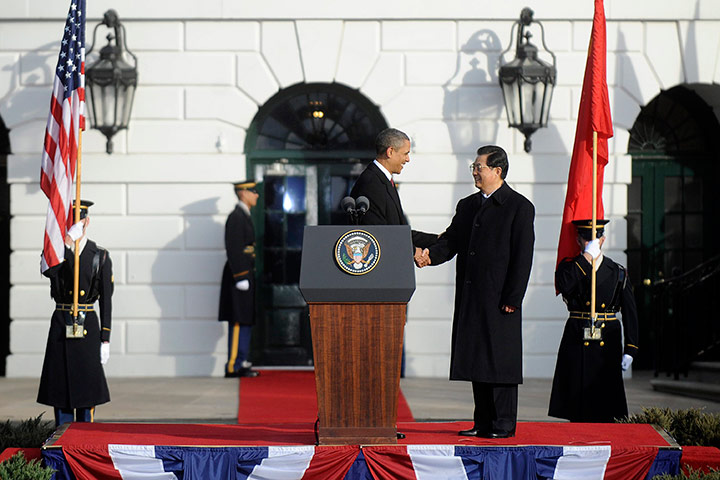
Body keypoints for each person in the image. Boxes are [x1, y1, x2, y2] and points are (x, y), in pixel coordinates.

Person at [416, 145, 535, 439]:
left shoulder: (519, 207)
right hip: (472, 296)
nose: (475, 172)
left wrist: (512, 298)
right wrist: (429, 254)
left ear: (497, 170)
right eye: (473, 167)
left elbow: (523, 257)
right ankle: (482, 422)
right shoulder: (467, 206)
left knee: (500, 362)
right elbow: (452, 242)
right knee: (478, 359)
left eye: (479, 167)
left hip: (500, 299)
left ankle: (503, 424)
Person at [548, 219, 639, 422]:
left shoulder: (618, 271)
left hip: (607, 337)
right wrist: (587, 258)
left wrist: (631, 348)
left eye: (596, 237)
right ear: (578, 239)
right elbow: (565, 285)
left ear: (603, 239)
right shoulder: (569, 267)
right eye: (587, 237)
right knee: (577, 404)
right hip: (578, 335)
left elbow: (630, 312)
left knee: (606, 402)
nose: (592, 241)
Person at [37, 200, 113, 427]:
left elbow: (106, 300)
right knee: (60, 391)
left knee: (87, 391)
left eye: (79, 221)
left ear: (87, 222)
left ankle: (84, 440)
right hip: (62, 322)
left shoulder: (100, 255)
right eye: (70, 222)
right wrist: (66, 244)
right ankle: (61, 441)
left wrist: (105, 338)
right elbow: (48, 271)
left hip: (86, 324)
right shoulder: (56, 251)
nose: (75, 225)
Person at [349, 127, 437, 251]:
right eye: (405, 153)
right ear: (390, 152)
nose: (408, 159)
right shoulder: (371, 183)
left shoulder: (382, 180)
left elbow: (397, 229)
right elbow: (377, 232)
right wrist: (413, 251)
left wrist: (436, 239)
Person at [218, 181, 260, 378]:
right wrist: (241, 276)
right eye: (253, 191)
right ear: (243, 193)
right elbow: (233, 248)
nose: (256, 195)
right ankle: (233, 364)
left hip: (246, 273)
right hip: (239, 276)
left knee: (245, 319)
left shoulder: (244, 214)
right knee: (237, 320)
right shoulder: (236, 217)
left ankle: (241, 360)